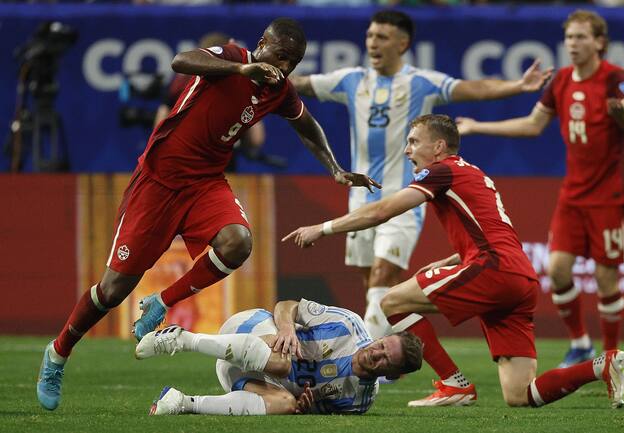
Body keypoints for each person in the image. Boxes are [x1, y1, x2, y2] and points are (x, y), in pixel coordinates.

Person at [36, 18, 380, 411]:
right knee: (113, 290)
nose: (285, 67)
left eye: (294, 62)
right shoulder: (233, 57)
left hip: (206, 183)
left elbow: (307, 124)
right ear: (262, 44)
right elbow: (181, 61)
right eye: (281, 56)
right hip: (159, 181)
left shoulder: (279, 89)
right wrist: (241, 68)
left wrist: (334, 169)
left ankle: (163, 301)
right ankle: (58, 354)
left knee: (238, 242)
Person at [283, 114, 624, 409]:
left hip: (493, 269)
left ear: (438, 147)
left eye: (414, 141)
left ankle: (455, 383)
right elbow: (487, 228)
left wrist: (324, 228)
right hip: (519, 278)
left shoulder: (441, 171)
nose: (408, 151)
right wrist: (450, 261)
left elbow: (382, 211)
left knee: (391, 301)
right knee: (519, 394)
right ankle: (603, 366)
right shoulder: (474, 172)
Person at [290, 10, 553, 341]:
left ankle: (363, 361)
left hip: (406, 198)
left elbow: (475, 87)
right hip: (360, 200)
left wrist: (518, 85)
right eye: (370, 36)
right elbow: (298, 85)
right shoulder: (350, 80)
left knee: (384, 277)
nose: (373, 43)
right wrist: (257, 70)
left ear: (403, 44)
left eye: (382, 37)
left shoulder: (421, 82)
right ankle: (389, 353)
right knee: (371, 282)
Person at [456, 10, 624, 368]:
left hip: (611, 196)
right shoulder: (563, 81)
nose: (572, 44)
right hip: (573, 193)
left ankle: (614, 355)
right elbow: (531, 125)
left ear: (600, 42)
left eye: (581, 37)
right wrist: (478, 126)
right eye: (569, 37)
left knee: (606, 276)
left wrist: (623, 116)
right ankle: (581, 344)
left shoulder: (615, 78)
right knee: (557, 270)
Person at [135, 298, 423, 415]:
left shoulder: (359, 401)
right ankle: (183, 339)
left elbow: (303, 412)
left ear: (391, 373)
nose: (376, 352)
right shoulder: (348, 324)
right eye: (382, 344)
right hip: (247, 329)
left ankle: (181, 402)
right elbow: (287, 305)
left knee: (284, 403)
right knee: (284, 362)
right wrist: (287, 328)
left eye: (386, 359)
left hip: (243, 377)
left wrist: (302, 405)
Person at [154, 32, 267, 172]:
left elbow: (160, 126)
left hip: (180, 162)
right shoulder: (241, 88)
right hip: (219, 167)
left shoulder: (179, 84)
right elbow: (256, 139)